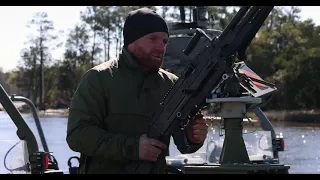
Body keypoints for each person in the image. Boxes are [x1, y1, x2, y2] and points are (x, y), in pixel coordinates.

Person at [66, 7, 208, 174]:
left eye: (164, 41)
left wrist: (194, 137)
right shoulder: (99, 78)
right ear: (132, 41)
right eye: (152, 39)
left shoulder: (171, 84)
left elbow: (183, 143)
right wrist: (133, 147)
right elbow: (78, 135)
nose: (160, 48)